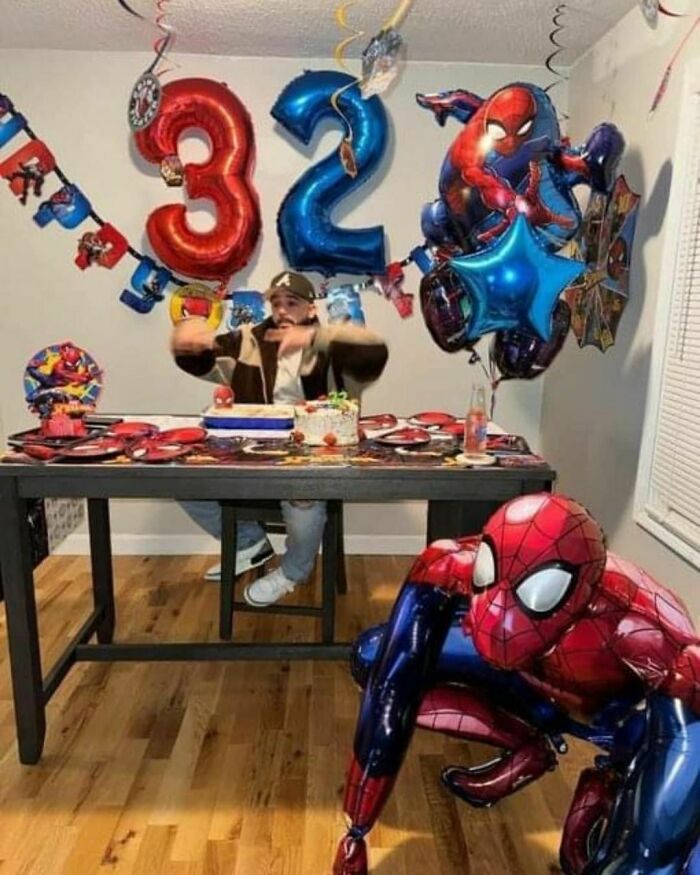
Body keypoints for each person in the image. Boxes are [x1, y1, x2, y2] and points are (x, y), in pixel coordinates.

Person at [171, 270, 389, 607]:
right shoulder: (250, 340)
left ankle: (293, 572)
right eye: (277, 303)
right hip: (250, 458)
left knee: (304, 496)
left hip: (313, 459)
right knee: (180, 475)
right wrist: (186, 340)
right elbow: (201, 358)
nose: (283, 310)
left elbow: (375, 351)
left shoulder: (334, 346)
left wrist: (316, 339)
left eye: (293, 303)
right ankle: (248, 543)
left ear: (312, 308)